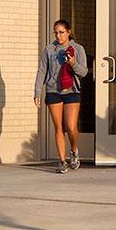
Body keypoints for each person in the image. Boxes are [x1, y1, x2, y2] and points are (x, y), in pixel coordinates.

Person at [33, 18, 88, 173]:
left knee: (71, 127)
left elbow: (84, 72)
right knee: (58, 128)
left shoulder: (77, 49)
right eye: (56, 33)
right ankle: (62, 161)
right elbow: (42, 71)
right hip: (53, 91)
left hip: (72, 91)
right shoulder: (49, 49)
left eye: (61, 32)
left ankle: (74, 151)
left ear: (68, 32)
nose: (58, 36)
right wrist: (37, 91)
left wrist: (73, 63)